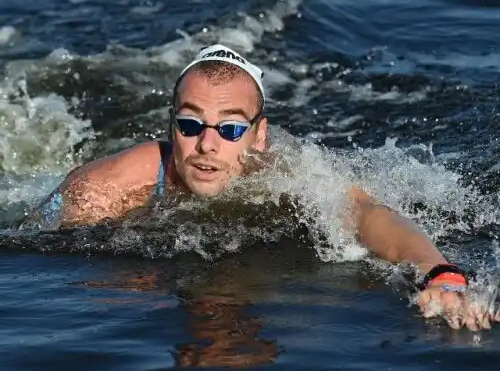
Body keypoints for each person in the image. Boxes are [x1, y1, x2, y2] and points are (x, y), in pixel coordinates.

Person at [31, 44, 498, 331]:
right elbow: (44, 253)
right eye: (191, 124)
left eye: (231, 129)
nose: (207, 145)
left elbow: (367, 215)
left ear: (259, 135)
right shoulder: (105, 188)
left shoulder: (285, 172)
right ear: (171, 125)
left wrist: (440, 272)